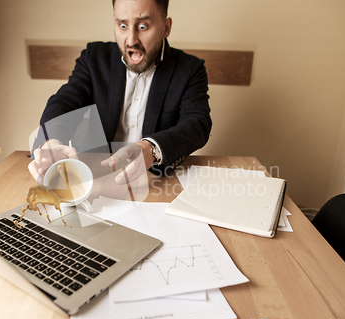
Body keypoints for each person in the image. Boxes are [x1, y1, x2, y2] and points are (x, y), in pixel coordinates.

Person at [29, 0, 212, 185]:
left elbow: (197, 123)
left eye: (142, 26)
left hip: (155, 181)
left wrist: (152, 148)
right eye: (123, 25)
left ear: (166, 27)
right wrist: (50, 142)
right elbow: (64, 101)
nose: (131, 40)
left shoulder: (190, 69)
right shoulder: (93, 58)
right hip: (94, 179)